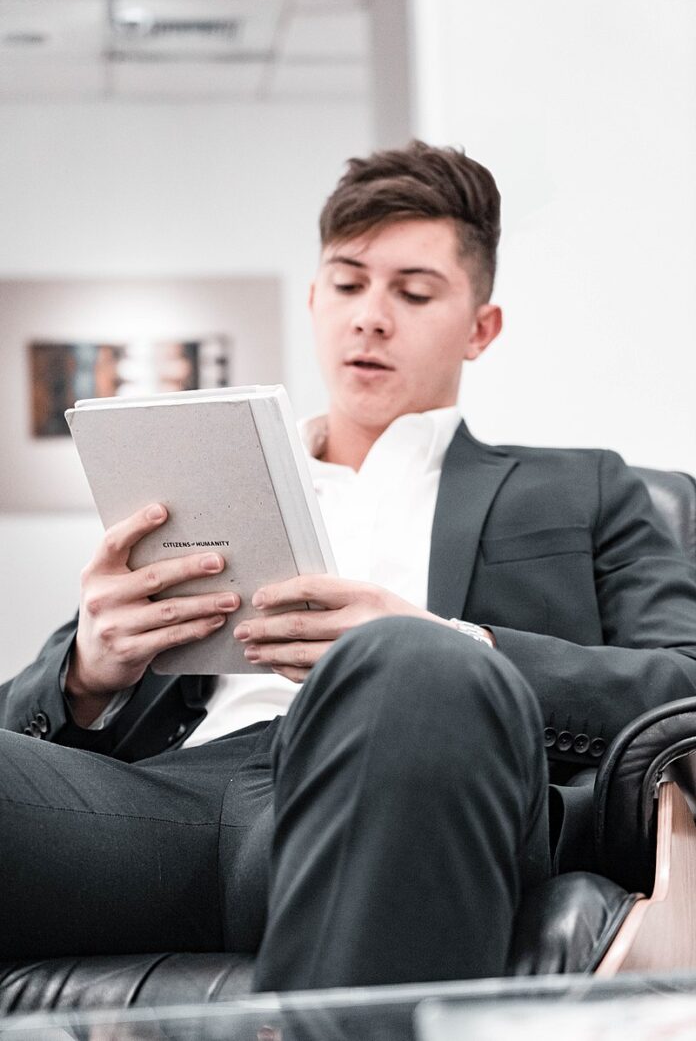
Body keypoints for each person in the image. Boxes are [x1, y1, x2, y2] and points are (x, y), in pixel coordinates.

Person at [1, 141, 696, 989]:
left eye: (413, 292)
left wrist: (450, 640)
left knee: (410, 662)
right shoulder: (201, 481)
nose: (370, 315)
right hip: (159, 808)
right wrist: (87, 674)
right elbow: (28, 720)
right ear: (314, 298)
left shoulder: (585, 487)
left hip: (409, 782)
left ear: (481, 329)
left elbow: (682, 685)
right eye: (348, 282)